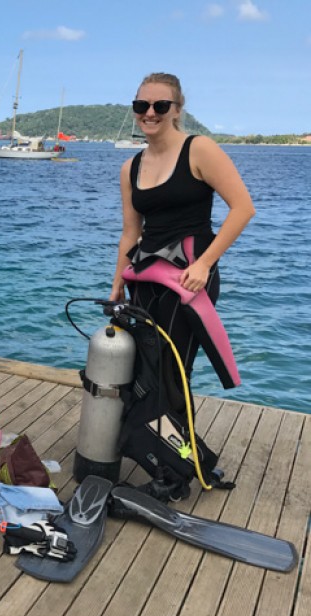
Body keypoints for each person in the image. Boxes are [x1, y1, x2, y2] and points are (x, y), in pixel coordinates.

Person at [109, 72, 255, 386]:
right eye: (141, 105)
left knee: (174, 367)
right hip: (146, 275)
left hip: (190, 275)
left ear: (177, 110)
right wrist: (117, 282)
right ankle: (144, 433)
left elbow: (243, 208)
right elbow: (130, 233)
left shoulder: (199, 149)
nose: (150, 113)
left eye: (160, 105)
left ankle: (176, 435)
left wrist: (205, 264)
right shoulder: (130, 167)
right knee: (143, 365)